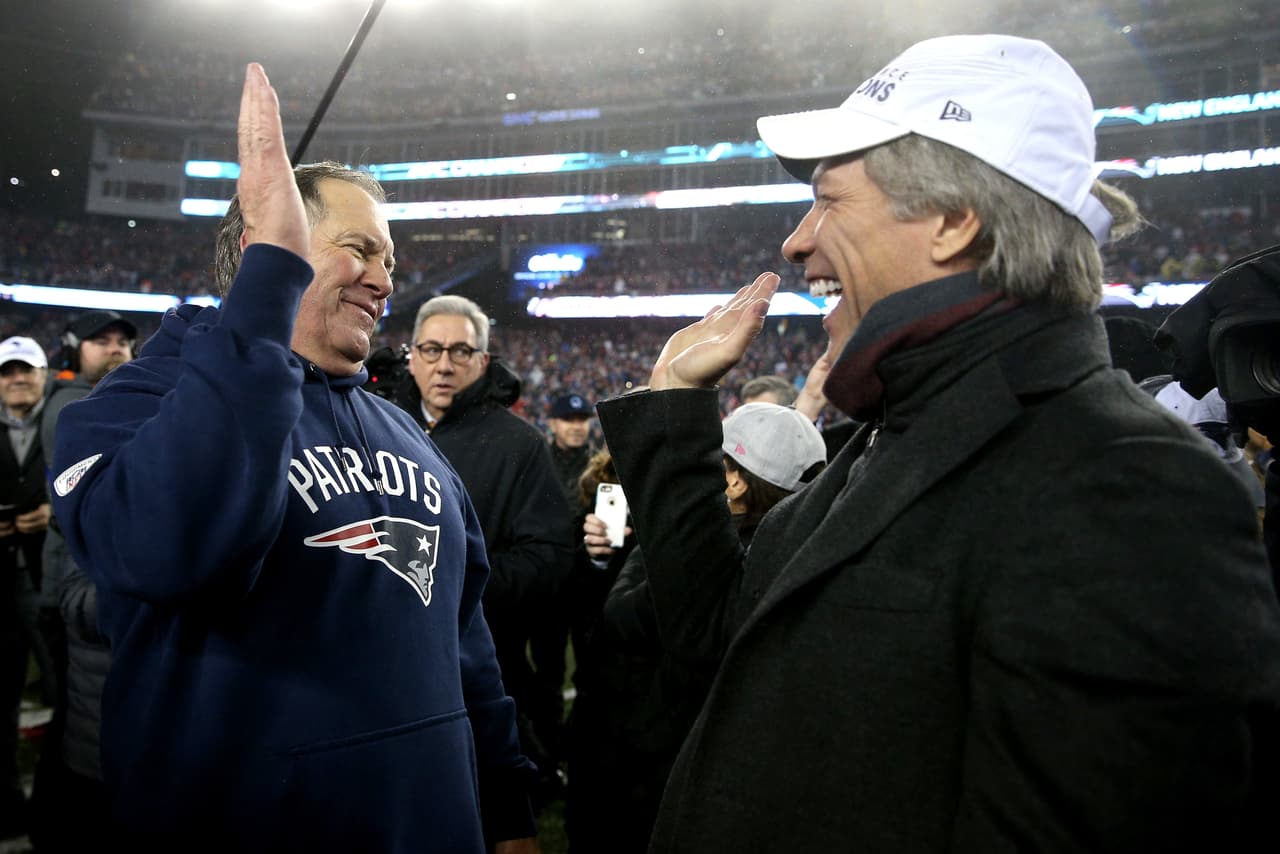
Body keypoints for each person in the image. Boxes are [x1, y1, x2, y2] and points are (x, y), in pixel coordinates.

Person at [594, 34, 1280, 852]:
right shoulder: (888, 437)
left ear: (955, 221)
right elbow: (721, 641)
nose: (797, 241)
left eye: (829, 201)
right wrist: (675, 410)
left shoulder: (1130, 486)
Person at [50, 64, 537, 853]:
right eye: (360, 250)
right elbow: (171, 553)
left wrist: (507, 807)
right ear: (266, 250)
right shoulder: (129, 405)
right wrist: (265, 296)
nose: (385, 281)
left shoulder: (407, 431)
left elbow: (463, 639)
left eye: (390, 261)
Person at [574, 402, 825, 854]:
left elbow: (621, 617)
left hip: (652, 768)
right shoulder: (799, 550)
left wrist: (655, 543)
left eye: (713, 461)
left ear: (735, 481)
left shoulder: (709, 558)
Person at [394, 294, 572, 810]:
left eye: (460, 351)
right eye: (431, 349)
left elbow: (548, 559)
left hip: (480, 670)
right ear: (411, 356)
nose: (444, 364)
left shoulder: (520, 444)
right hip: (386, 664)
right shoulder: (376, 423)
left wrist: (454, 588)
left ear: (483, 360)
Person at [28, 310, 136, 849]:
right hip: (69, 587)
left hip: (87, 586)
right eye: (102, 341)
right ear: (76, 349)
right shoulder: (72, 405)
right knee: (74, 708)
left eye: (123, 341)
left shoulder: (111, 401)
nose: (115, 349)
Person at [527, 391, 596, 791]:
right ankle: (550, 759)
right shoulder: (538, 462)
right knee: (549, 677)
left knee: (591, 673)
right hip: (550, 589)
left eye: (582, 419)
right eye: (568, 419)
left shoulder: (604, 465)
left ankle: (583, 755)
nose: (576, 426)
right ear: (552, 423)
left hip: (589, 586)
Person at [0, 336, 51, 840]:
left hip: (49, 580)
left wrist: (54, 513)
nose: (17, 379)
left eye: (25, 370)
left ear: (42, 375)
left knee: (61, 688)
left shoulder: (64, 420)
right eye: (7, 371)